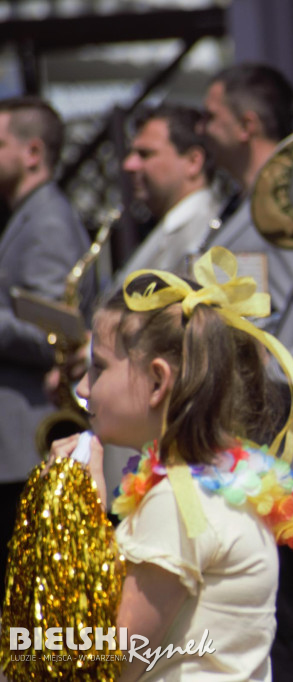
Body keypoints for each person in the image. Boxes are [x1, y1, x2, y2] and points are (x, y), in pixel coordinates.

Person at [7, 247, 293, 680]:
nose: (82, 387)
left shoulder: (177, 504)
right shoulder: (219, 480)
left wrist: (80, 518)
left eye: (97, 369)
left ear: (157, 381)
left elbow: (104, 665)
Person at [0, 96, 91, 592]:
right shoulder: (29, 215)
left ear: (33, 152)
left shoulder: (48, 219)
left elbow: (58, 333)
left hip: (27, 445)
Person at [198, 62, 293, 316]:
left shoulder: (286, 197)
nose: (200, 129)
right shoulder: (239, 200)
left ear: (247, 126)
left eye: (210, 117)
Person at [117, 103, 220, 279]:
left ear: (193, 161)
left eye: (145, 154)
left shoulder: (205, 231)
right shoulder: (172, 224)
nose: (129, 165)